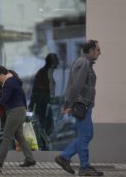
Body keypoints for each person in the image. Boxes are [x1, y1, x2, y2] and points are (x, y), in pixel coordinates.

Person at [55, 40, 104, 176]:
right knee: (86, 135)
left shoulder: (85, 63)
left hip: (84, 104)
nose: (100, 52)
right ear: (91, 50)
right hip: (81, 104)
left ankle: (65, 157)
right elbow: (76, 86)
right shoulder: (84, 62)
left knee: (87, 135)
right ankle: (83, 167)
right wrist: (68, 105)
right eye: (98, 50)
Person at [0, 65, 36, 169]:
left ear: (1, 75)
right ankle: (30, 159)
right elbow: (22, 97)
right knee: (20, 137)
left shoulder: (9, 82)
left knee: (6, 137)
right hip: (20, 111)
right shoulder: (14, 81)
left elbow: (5, 98)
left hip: (14, 112)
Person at [29, 53, 59, 150]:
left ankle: (44, 145)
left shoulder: (45, 72)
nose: (57, 66)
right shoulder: (45, 72)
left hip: (43, 104)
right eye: (56, 63)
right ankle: (44, 146)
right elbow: (41, 91)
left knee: (46, 126)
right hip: (42, 105)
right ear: (52, 64)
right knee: (43, 126)